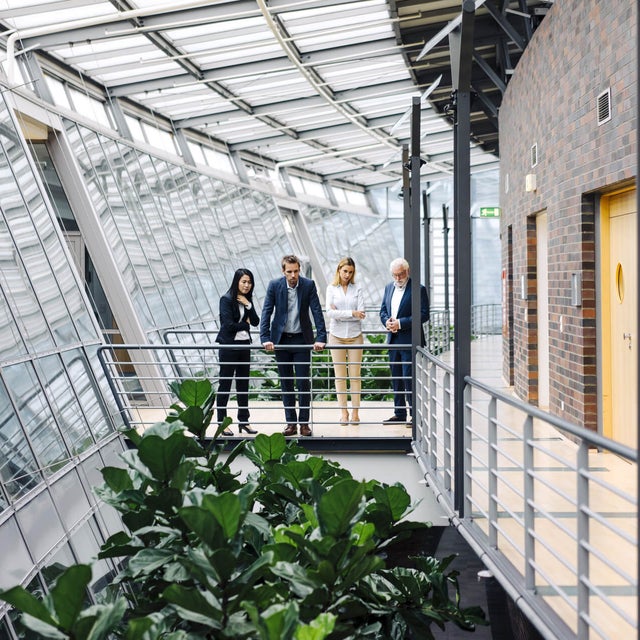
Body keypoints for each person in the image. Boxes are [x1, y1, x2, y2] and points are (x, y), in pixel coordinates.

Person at [260, 255, 327, 436]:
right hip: (280, 340)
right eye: (289, 272)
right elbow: (266, 311)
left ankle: (304, 423)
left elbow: (316, 311)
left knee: (303, 382)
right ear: (283, 271)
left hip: (301, 340)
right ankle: (291, 423)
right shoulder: (275, 285)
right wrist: (265, 337)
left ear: (299, 270)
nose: (293, 275)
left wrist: (321, 337)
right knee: (286, 382)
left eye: (296, 271)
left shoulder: (308, 285)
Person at [379, 258, 429, 426]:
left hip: (410, 340)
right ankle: (399, 413)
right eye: (395, 275)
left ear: (407, 272)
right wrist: (387, 322)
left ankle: (415, 415)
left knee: (410, 378)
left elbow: (424, 314)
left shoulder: (418, 289)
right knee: (397, 377)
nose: (398, 278)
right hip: (393, 340)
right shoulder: (388, 287)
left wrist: (400, 323)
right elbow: (383, 310)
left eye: (401, 274)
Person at [215, 268, 260, 436]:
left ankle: (244, 421)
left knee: (243, 385)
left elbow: (256, 321)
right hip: (228, 347)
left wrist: (248, 305)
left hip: (244, 347)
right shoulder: (226, 300)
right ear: (237, 282)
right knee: (225, 385)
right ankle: (222, 423)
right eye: (244, 282)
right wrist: (245, 324)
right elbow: (228, 325)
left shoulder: (246, 300)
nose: (247, 285)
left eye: (249, 282)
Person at [325, 257, 366, 425]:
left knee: (355, 377)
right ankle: (344, 412)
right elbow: (329, 313)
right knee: (340, 377)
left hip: (355, 336)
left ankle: (355, 412)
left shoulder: (358, 288)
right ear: (338, 271)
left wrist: (340, 313)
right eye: (344, 271)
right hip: (336, 337)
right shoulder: (331, 288)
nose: (347, 275)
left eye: (350, 272)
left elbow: (361, 314)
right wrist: (351, 313)